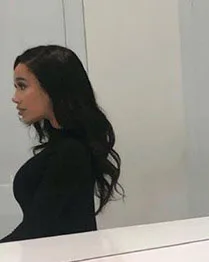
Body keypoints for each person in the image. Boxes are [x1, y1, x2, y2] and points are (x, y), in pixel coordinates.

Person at [3, 45, 121, 243]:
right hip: (55, 258)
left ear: (52, 87)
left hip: (66, 260)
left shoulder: (71, 151)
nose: (15, 98)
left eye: (22, 86)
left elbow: (38, 228)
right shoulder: (64, 146)